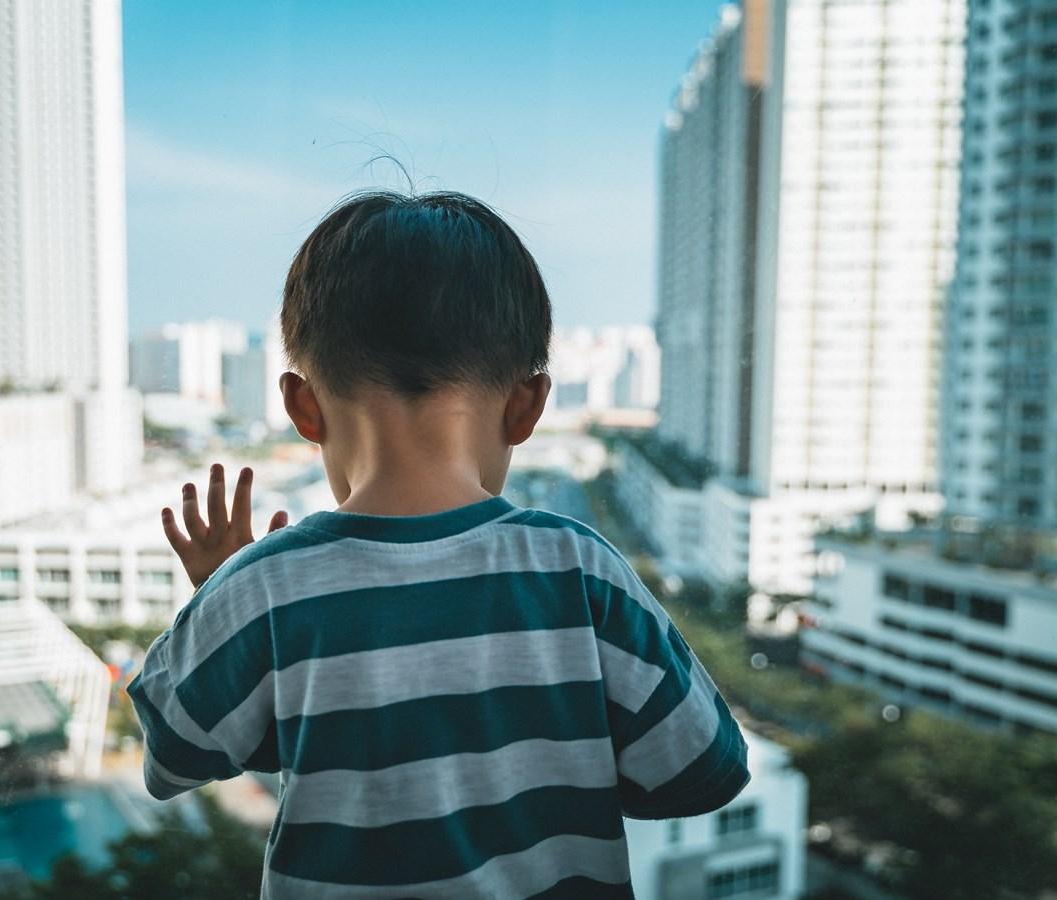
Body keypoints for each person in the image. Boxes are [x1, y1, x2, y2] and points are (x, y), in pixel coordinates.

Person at [128, 191, 750, 898]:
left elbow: (173, 760)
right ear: (527, 405)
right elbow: (708, 769)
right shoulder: (581, 571)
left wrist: (222, 593)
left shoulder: (264, 587)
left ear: (303, 405)